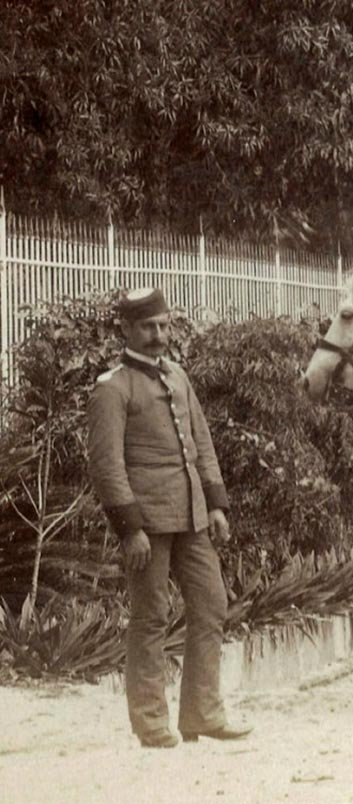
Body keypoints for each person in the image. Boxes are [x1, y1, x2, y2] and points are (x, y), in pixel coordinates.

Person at [87, 288, 252, 748]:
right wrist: (130, 528)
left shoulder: (178, 376)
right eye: (148, 327)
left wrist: (216, 505)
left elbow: (201, 444)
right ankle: (150, 721)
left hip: (192, 516)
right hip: (148, 526)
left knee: (212, 604)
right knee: (150, 617)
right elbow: (107, 466)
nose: (159, 335)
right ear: (126, 330)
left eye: (163, 325)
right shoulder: (113, 388)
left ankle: (201, 712)